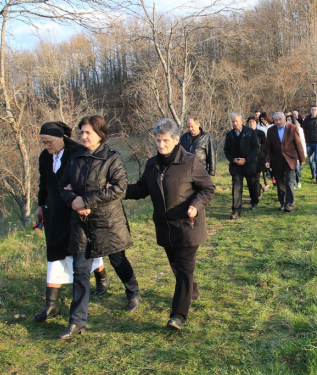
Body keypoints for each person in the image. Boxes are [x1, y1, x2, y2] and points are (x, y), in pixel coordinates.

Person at [125, 118, 215, 331]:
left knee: (184, 269)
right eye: (158, 140)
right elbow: (141, 189)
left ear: (176, 140)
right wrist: (119, 191)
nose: (161, 145)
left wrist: (195, 205)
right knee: (176, 266)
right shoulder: (152, 164)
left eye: (165, 140)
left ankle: (178, 315)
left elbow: (207, 188)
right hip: (165, 227)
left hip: (188, 225)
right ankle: (191, 291)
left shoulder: (191, 162)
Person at [58, 115, 141, 340]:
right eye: (81, 132)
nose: (83, 136)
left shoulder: (112, 159)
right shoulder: (74, 157)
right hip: (81, 224)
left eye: (88, 132)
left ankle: (133, 291)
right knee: (81, 271)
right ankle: (77, 321)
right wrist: (74, 201)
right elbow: (62, 185)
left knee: (118, 260)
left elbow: (118, 188)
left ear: (100, 135)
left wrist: (86, 200)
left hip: (107, 221)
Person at [34, 121, 108, 323]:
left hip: (74, 209)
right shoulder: (44, 157)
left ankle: (101, 276)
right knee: (55, 251)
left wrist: (85, 203)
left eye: (48, 142)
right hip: (52, 210)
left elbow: (87, 179)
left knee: (81, 250)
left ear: (61, 139)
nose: (45, 146)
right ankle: (52, 305)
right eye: (43, 142)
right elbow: (44, 182)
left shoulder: (76, 152)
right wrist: (41, 206)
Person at [265, 112, 305, 212]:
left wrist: (302, 159)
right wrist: (268, 160)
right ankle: (282, 202)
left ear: (285, 119)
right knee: (280, 182)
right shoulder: (270, 130)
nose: (278, 122)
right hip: (276, 160)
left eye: (280, 119)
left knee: (289, 180)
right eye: (276, 120)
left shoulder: (292, 128)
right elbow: (268, 147)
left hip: (290, 158)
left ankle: (289, 204)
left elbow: (298, 144)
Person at [223, 113, 260, 219]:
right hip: (236, 165)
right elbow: (226, 150)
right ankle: (236, 210)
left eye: (236, 121)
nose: (235, 124)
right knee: (236, 188)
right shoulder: (229, 135)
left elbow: (255, 148)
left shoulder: (250, 132)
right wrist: (233, 159)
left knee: (252, 184)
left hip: (249, 164)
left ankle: (254, 201)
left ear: (241, 121)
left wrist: (246, 160)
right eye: (233, 122)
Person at [302, 105, 317, 184]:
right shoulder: (306, 120)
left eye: (315, 110)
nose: (313, 111)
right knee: (310, 160)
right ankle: (313, 174)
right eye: (312, 110)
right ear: (310, 111)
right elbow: (303, 132)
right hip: (309, 143)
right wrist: (304, 142)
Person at [247, 115, 268, 195]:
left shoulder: (260, 133)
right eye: (250, 122)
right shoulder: (245, 133)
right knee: (250, 178)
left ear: (256, 123)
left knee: (256, 177)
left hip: (258, 159)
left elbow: (265, 144)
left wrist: (257, 148)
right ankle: (258, 189)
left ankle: (257, 194)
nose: (251, 123)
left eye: (253, 122)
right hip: (248, 159)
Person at [288, 113, 307, 189]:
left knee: (297, 169)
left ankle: (298, 180)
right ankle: (294, 184)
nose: (287, 121)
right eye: (286, 120)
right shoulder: (284, 130)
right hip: (289, 153)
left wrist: (304, 153)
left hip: (297, 152)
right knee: (291, 169)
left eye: (289, 120)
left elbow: (302, 141)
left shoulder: (299, 129)